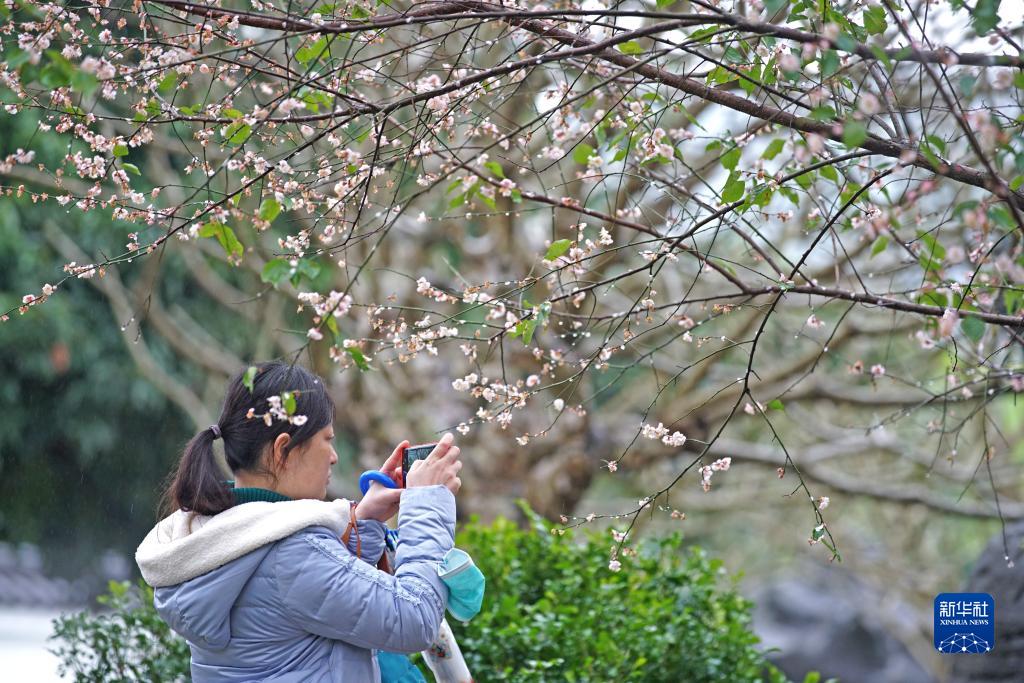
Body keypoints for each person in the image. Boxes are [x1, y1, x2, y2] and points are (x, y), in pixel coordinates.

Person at [135, 360, 463, 682]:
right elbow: (414, 619)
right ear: (284, 450)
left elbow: (312, 605)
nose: (334, 456)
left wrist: (362, 520)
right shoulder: (293, 554)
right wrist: (427, 504)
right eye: (327, 439)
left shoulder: (219, 535)